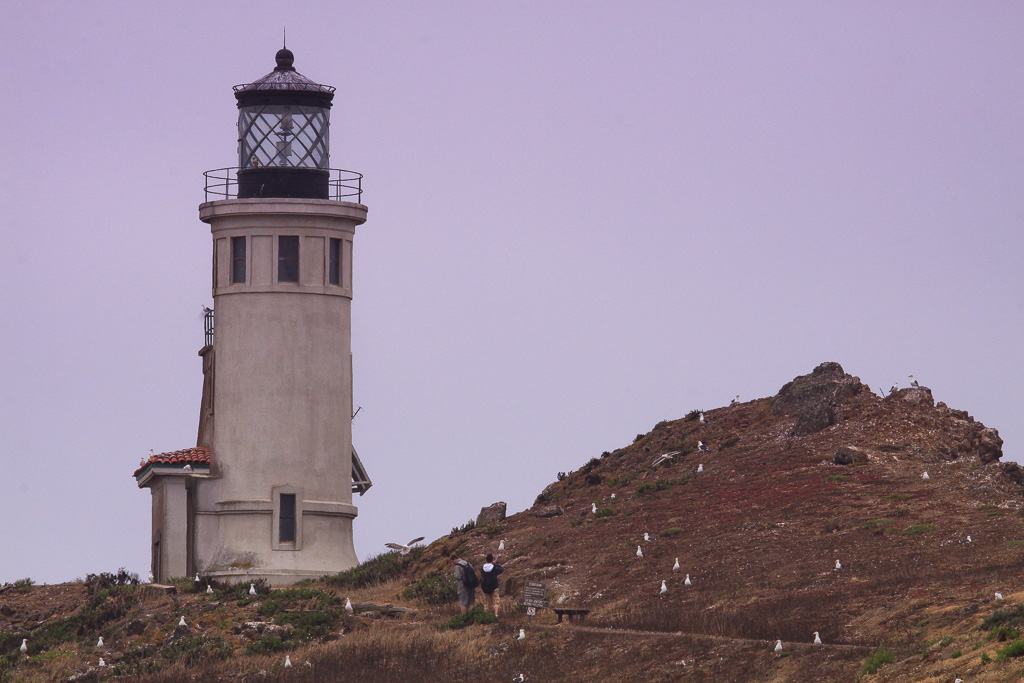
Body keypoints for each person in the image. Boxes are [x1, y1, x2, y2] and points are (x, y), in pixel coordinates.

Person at [480, 553, 505, 618]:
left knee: (486, 603)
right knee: (495, 602)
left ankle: (485, 616)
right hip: (494, 586)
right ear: (492, 560)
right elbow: (502, 569)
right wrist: (495, 564)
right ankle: (496, 615)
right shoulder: (494, 568)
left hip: (485, 587)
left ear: (486, 560)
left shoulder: (482, 568)